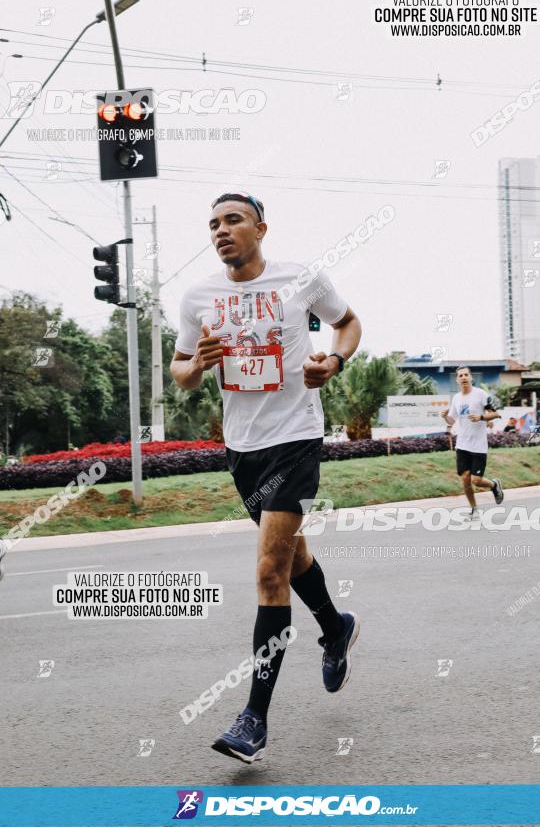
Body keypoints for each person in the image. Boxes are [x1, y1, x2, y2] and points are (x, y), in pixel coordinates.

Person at [170, 192, 362, 763]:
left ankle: (253, 718)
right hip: (242, 445)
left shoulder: (300, 278)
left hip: (295, 435)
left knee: (268, 569)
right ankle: (335, 626)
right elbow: (180, 371)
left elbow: (347, 323)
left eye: (233, 220)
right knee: (291, 554)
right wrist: (195, 365)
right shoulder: (198, 296)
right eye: (213, 223)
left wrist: (334, 361)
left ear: (261, 228)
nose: (221, 230)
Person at [440, 365, 504, 517]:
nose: (463, 378)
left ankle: (494, 485)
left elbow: (495, 414)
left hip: (479, 445)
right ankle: (474, 509)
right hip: (462, 444)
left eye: (466, 375)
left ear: (471, 377)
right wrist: (444, 416)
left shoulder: (481, 395)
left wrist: (481, 417)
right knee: (465, 478)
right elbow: (451, 420)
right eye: (460, 376)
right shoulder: (456, 398)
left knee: (477, 480)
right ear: (457, 380)